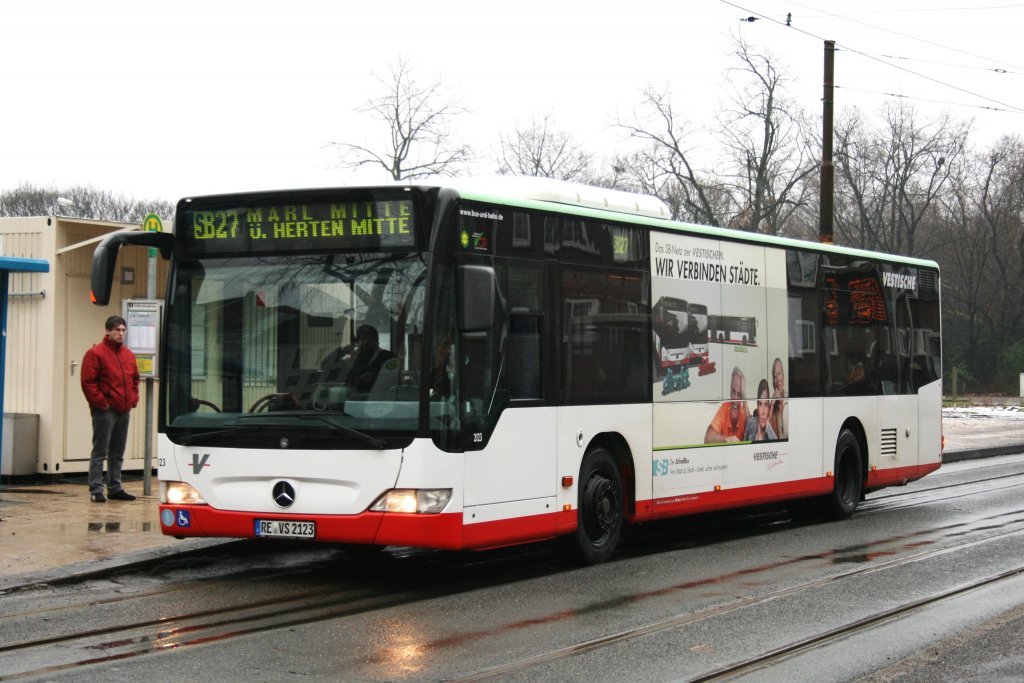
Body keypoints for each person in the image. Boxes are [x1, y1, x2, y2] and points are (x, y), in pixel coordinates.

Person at [80, 315, 140, 503]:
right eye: (117, 330)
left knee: (117, 451)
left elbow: (135, 379)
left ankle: (115, 487)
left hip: (124, 409)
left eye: (123, 330)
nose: (121, 333)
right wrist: (102, 403)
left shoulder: (128, 355)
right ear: (108, 331)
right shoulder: (95, 353)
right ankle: (96, 489)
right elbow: (88, 382)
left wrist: (133, 399)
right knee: (100, 451)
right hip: (106, 410)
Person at [343, 325, 396, 391]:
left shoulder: (387, 356)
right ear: (357, 341)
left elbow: (393, 378)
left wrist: (375, 376)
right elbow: (345, 379)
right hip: (353, 395)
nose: (366, 342)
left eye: (370, 339)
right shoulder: (352, 359)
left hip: (379, 395)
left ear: (376, 341)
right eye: (363, 339)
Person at [704, 366, 747, 443]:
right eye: (733, 392)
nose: (735, 398)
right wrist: (727, 439)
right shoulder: (724, 409)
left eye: (739, 394)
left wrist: (745, 401)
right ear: (730, 390)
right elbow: (707, 438)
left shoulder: (744, 413)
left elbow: (756, 430)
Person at [770, 357, 787, 439]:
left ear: (783, 376)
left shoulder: (790, 400)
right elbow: (765, 430)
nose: (777, 380)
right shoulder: (771, 407)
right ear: (773, 383)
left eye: (779, 374)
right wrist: (772, 404)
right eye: (774, 376)